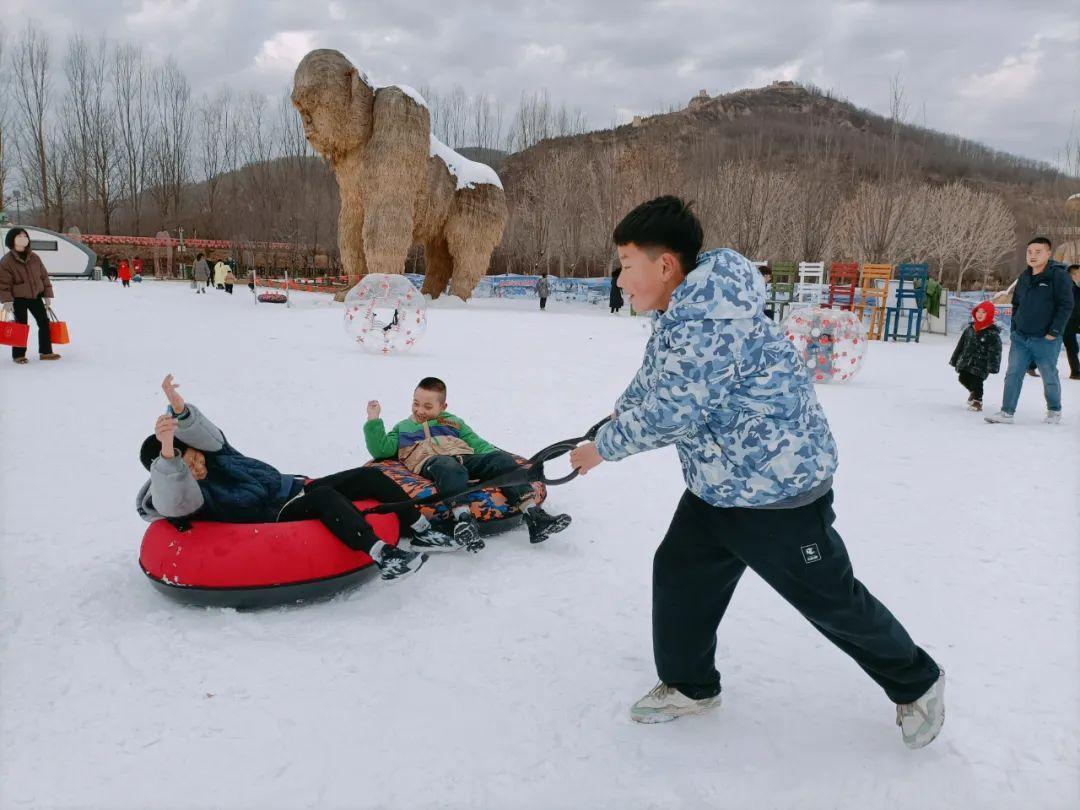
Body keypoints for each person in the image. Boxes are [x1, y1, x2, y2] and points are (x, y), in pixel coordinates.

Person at [568, 196, 944, 748]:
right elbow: (656, 382)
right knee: (680, 574)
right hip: (721, 484)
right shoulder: (686, 311)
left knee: (828, 598)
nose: (620, 279)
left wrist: (602, 449)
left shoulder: (708, 325)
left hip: (775, 492)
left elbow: (674, 413)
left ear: (665, 265)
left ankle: (919, 682)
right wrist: (616, 418)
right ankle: (691, 685)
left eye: (626, 264)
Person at [136, 376, 472, 581]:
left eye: (195, 458)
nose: (198, 467)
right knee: (326, 500)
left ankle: (424, 531)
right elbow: (176, 494)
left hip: (295, 488)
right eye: (189, 466)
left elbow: (209, 437)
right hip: (277, 514)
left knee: (370, 477)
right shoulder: (193, 495)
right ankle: (383, 556)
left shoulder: (220, 457)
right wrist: (169, 454)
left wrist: (180, 410)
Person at [364, 377, 571, 548]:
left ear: (443, 406)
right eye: (416, 403)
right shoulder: (403, 428)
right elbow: (381, 450)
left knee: (500, 460)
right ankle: (463, 519)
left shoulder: (453, 422)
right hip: (432, 462)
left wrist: (504, 461)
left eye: (428, 406)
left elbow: (476, 443)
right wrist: (374, 420)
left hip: (466, 456)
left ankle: (534, 516)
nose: (420, 410)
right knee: (448, 466)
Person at [985, 237, 1072, 425]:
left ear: (1048, 253)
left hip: (1046, 339)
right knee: (1013, 373)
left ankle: (1054, 410)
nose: (1033, 256)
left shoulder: (1058, 276)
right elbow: (1016, 303)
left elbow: (1066, 306)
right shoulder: (1024, 276)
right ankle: (1007, 412)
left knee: (1049, 376)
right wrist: (1015, 327)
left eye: (1038, 252)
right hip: (1021, 337)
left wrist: (1054, 331)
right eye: (1029, 252)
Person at [0, 227, 61, 365]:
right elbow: (3, 283)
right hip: (18, 299)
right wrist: (7, 300)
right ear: (12, 240)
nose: (23, 239)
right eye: (19, 236)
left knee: (44, 323)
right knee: (20, 327)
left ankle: (46, 352)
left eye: (25, 236)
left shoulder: (34, 257)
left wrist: (47, 295)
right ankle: (19, 355)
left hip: (35, 296)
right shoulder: (6, 261)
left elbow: (44, 277)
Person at [948, 300, 1002, 411]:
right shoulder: (970, 329)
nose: (980, 314)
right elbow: (961, 345)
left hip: (982, 363)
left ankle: (977, 401)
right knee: (962, 378)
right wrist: (955, 359)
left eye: (984, 312)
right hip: (966, 360)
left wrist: (993, 366)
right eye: (978, 312)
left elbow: (995, 351)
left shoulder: (992, 333)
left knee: (977, 381)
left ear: (989, 315)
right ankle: (973, 392)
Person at [1064, 264, 1080, 380]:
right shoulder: (1066, 287)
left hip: (1072, 322)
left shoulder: (1075, 287)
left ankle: (1075, 371)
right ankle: (1075, 372)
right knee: (1071, 346)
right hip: (1065, 322)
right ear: (1073, 274)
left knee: (1072, 347)